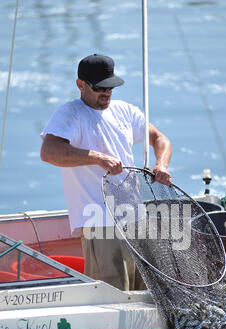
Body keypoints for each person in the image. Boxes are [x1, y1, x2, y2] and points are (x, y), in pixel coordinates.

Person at [41, 53, 172, 290]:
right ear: (80, 85)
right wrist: (97, 157)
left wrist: (160, 165)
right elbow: (49, 152)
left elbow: (160, 138)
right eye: (100, 87)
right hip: (99, 220)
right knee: (113, 294)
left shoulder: (125, 111)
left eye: (111, 87)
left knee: (146, 292)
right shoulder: (70, 113)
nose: (107, 93)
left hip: (135, 217)